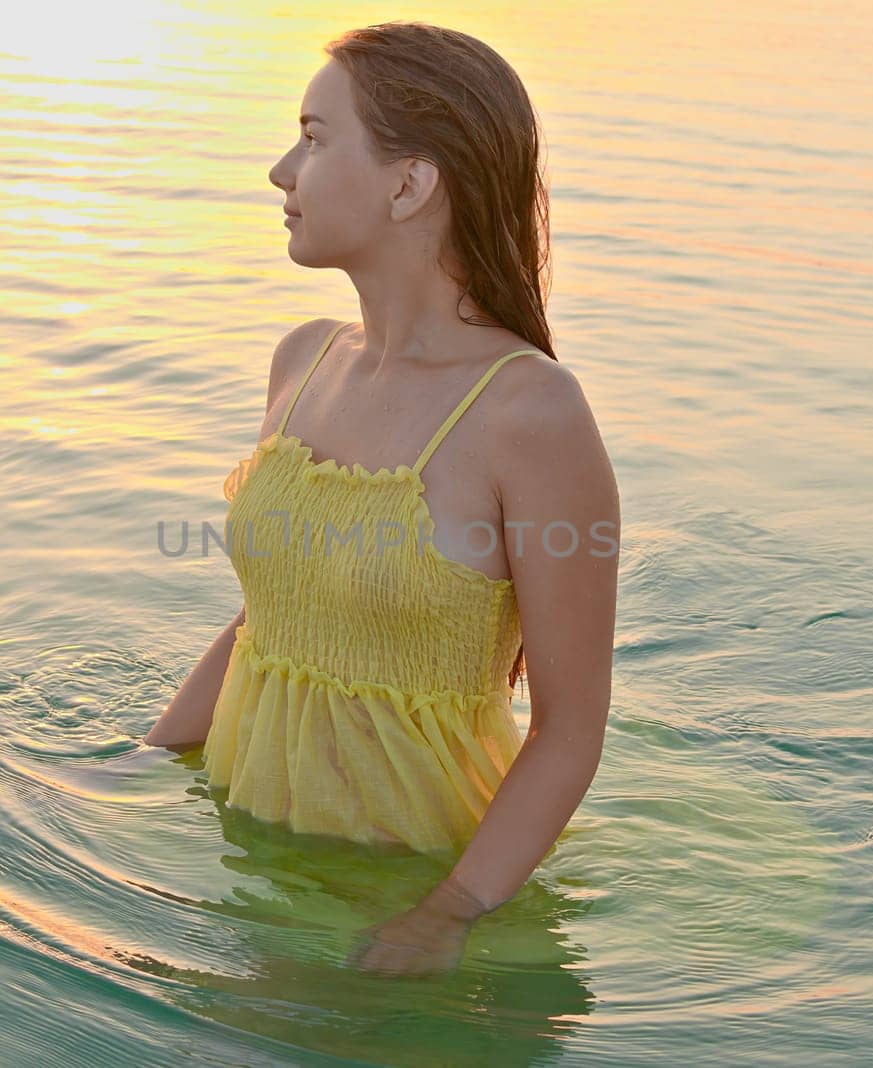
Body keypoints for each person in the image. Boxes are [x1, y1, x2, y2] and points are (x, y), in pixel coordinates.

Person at [144, 20, 619, 977]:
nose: (282, 170)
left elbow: (571, 732)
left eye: (316, 139)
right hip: (250, 849)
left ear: (410, 184)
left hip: (421, 875)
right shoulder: (301, 360)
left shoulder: (531, 412)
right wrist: (137, 763)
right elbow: (261, 623)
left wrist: (448, 914)